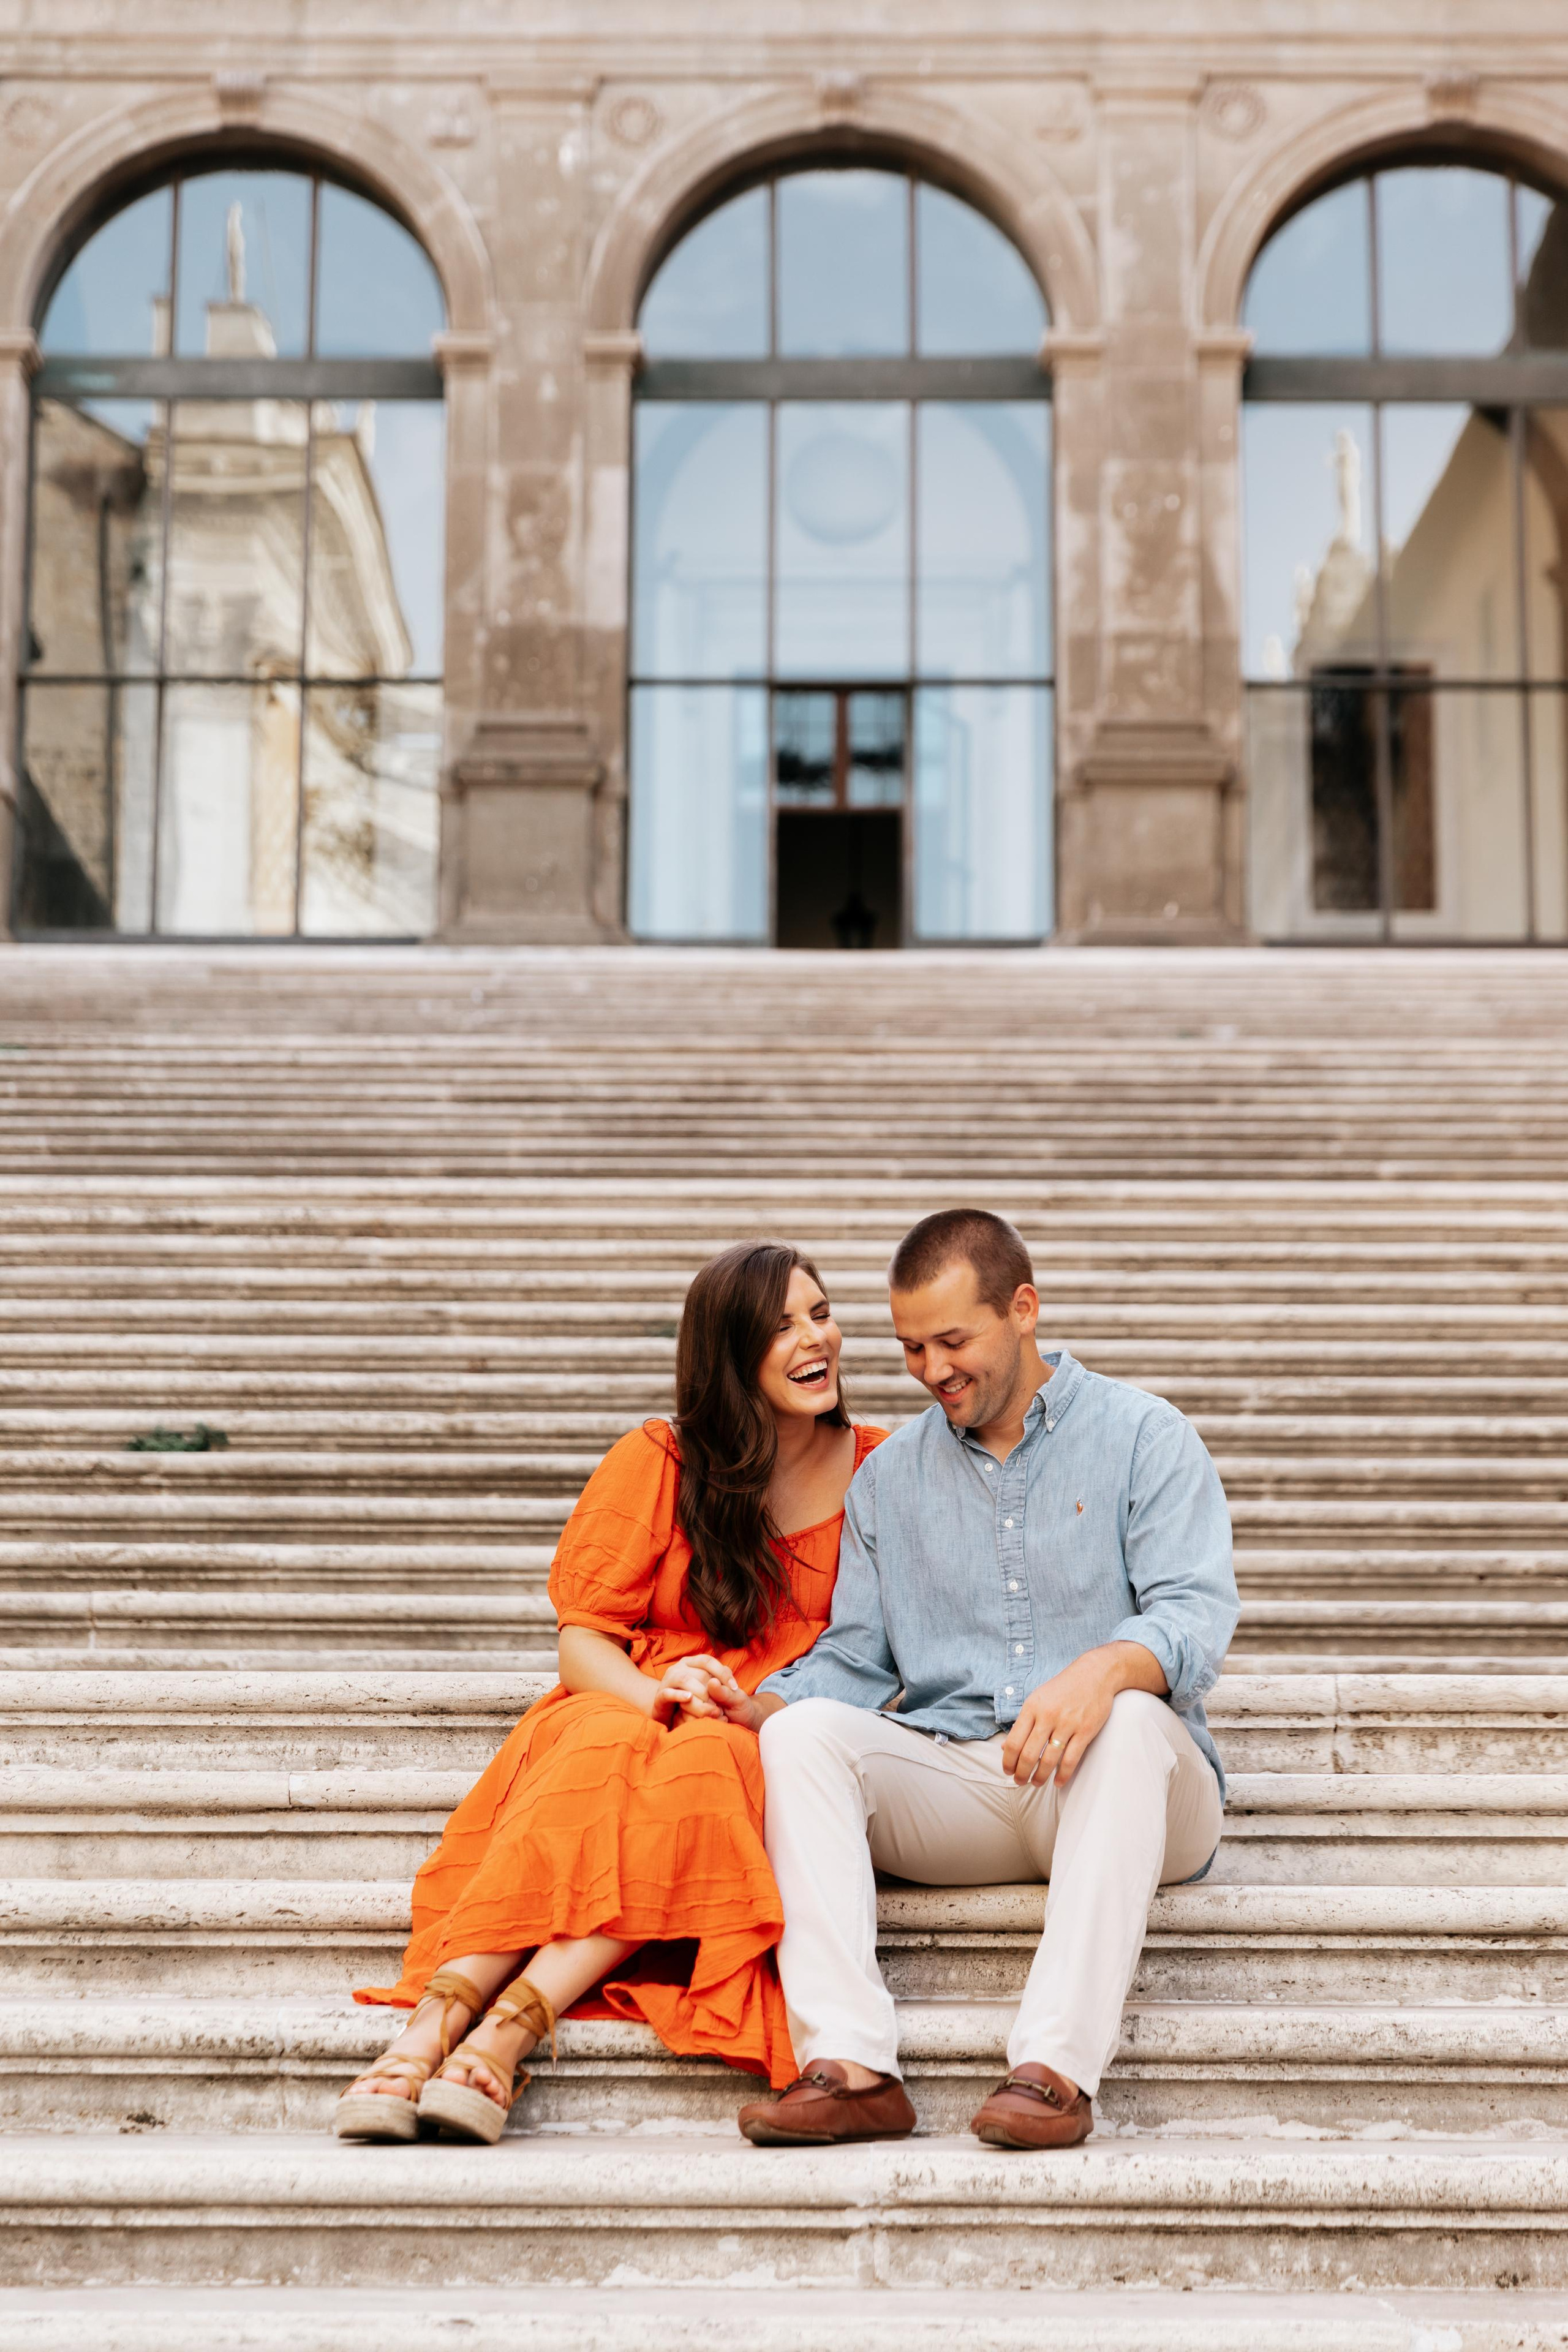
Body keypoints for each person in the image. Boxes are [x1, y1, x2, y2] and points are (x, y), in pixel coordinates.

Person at [709, 1207, 1238, 2151]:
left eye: (954, 1340)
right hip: (975, 1779)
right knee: (801, 1734)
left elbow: (1194, 1616)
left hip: (1138, 1788)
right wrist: (761, 1705)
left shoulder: (1146, 1436)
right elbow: (857, 1660)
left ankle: (1054, 2072)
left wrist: (1105, 1669)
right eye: (912, 1347)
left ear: (1022, 1309)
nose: (932, 1369)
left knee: (1122, 1717)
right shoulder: (889, 1479)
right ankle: (853, 2068)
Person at [334, 1240, 884, 2144]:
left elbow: (884, 1649)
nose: (812, 1339)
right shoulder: (662, 1457)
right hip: (632, 1689)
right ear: (727, 1353)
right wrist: (654, 1692)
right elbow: (582, 1639)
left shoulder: (881, 1469)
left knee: (707, 1763)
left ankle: (508, 2034)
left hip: (768, 1717)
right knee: (604, 1750)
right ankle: (430, 2028)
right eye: (778, 1327)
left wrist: (751, 1706)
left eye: (820, 1315)